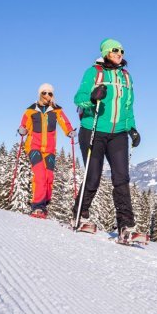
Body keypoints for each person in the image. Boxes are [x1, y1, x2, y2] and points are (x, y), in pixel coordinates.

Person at [72, 38, 144, 243]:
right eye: (115, 50)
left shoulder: (126, 77)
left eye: (121, 50)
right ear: (105, 52)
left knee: (121, 178)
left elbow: (128, 106)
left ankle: (126, 226)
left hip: (119, 133)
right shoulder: (94, 72)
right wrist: (93, 97)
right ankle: (80, 214)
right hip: (93, 129)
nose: (119, 52)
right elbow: (79, 98)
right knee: (92, 176)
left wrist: (132, 129)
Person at [18, 83, 76, 219]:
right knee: (40, 175)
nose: (47, 96)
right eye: (44, 93)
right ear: (40, 94)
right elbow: (24, 125)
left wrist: (70, 132)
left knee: (49, 177)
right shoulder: (31, 110)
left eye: (50, 93)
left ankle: (44, 203)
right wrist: (22, 130)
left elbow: (64, 123)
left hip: (49, 149)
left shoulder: (56, 110)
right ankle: (37, 206)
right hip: (33, 146)